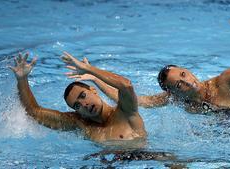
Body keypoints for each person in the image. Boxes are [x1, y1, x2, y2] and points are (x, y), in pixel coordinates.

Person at [70, 4, 230, 113]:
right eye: (179, 84)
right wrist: (96, 78)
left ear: (187, 69)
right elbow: (134, 99)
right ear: (173, 93)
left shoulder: (224, 82)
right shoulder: (178, 101)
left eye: (183, 74)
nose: (187, 82)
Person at [9, 52, 146, 143]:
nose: (84, 104)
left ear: (93, 90)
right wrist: (22, 80)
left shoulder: (125, 112)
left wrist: (90, 70)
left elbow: (126, 85)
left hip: (140, 160)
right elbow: (34, 112)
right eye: (77, 105)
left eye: (83, 96)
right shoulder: (80, 124)